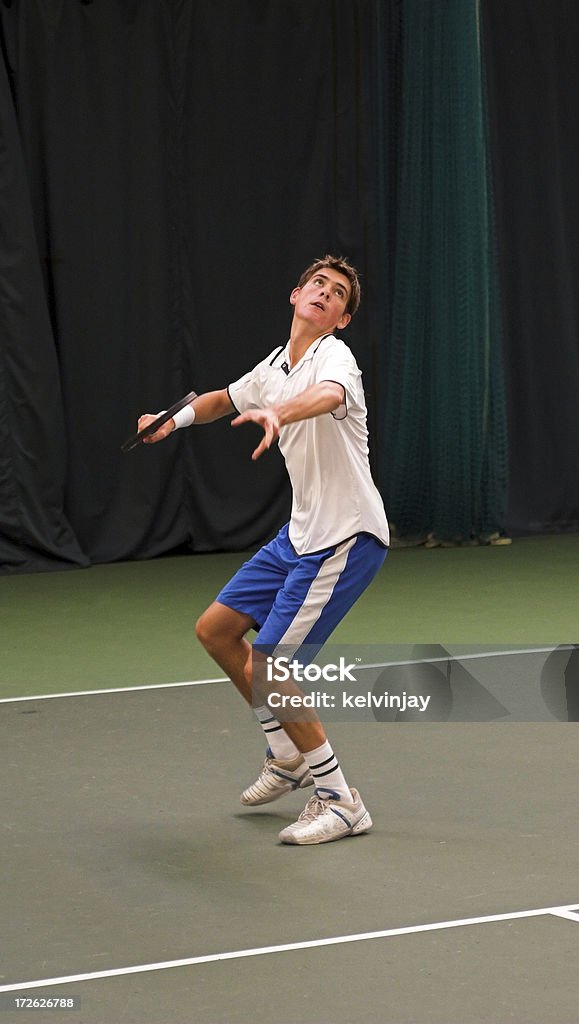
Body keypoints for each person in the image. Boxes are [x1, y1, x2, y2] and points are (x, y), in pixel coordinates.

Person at [138, 255, 389, 845]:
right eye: (318, 285)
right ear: (296, 293)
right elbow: (223, 398)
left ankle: (341, 800)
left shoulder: (335, 358)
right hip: (299, 534)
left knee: (274, 669)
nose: (325, 294)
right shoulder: (275, 365)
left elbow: (326, 397)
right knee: (217, 631)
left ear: (343, 318)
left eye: (338, 294)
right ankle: (287, 751)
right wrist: (172, 421)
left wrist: (279, 412)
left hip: (345, 537)